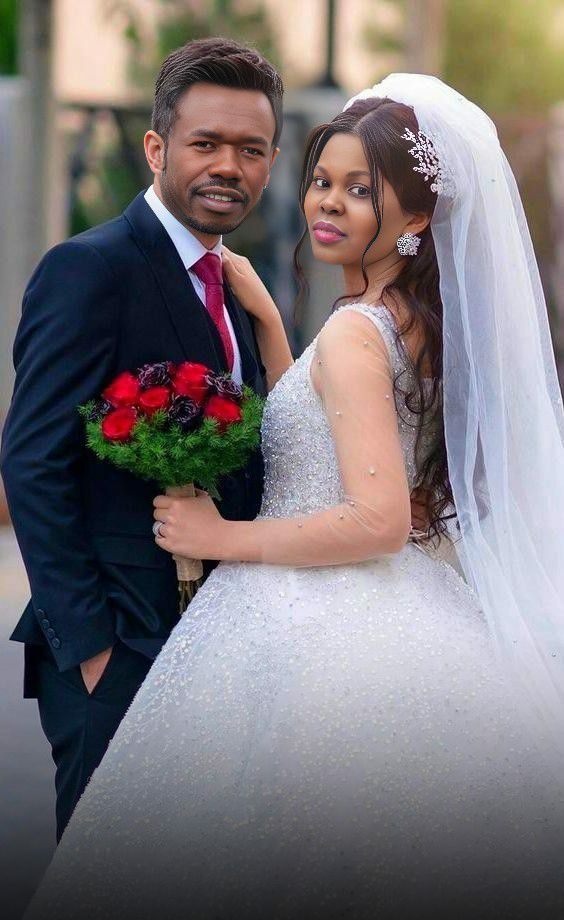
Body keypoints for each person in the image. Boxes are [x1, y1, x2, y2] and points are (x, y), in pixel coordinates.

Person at [22, 75, 564, 920]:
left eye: (361, 190)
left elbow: (377, 518)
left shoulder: (355, 332)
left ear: (419, 217)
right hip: (392, 617)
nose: (330, 203)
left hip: (314, 633)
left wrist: (218, 536)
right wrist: (276, 336)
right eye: (322, 181)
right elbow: (332, 440)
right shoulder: (410, 322)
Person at [0, 37, 285, 843]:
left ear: (270, 163)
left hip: (223, 646)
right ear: (157, 148)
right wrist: (93, 648)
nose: (228, 166)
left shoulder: (236, 288)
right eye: (206, 144)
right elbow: (32, 460)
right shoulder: (89, 268)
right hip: (120, 648)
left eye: (251, 149)